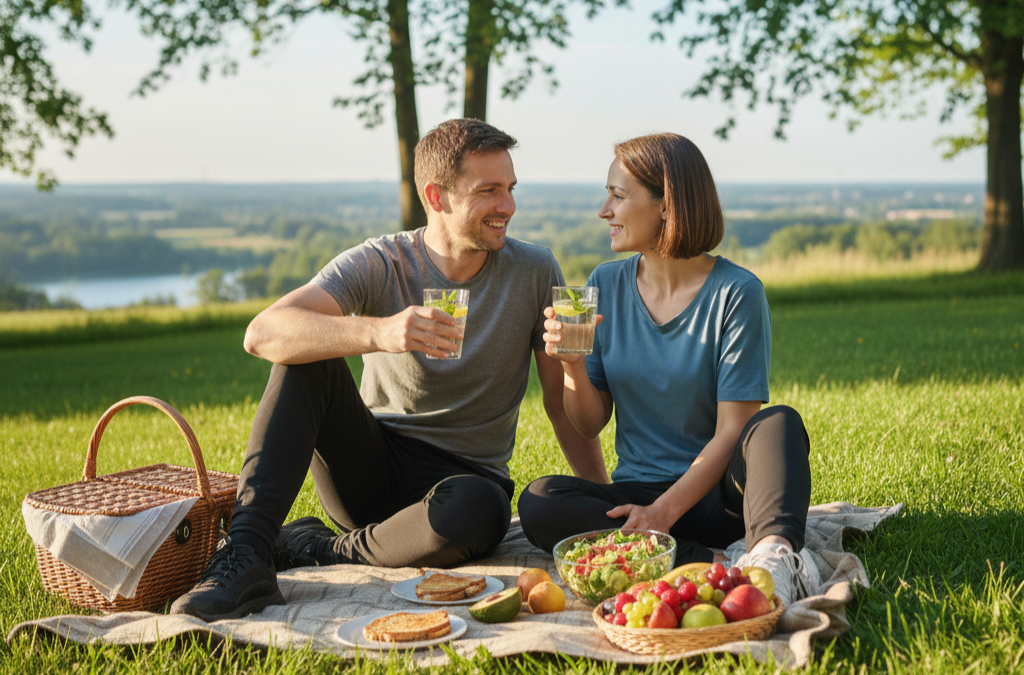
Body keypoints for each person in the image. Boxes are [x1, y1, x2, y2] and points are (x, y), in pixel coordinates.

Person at [171, 119, 598, 621]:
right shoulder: (384, 261)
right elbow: (262, 333)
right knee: (304, 360)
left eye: (510, 188)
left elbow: (559, 405)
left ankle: (317, 550)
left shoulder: (534, 270)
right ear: (436, 196)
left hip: (465, 484)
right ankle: (245, 554)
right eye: (489, 191)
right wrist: (380, 332)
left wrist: (603, 503)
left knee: (481, 508)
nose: (508, 206)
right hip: (371, 469)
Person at [517, 133, 819, 607]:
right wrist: (572, 365)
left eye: (618, 196)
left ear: (666, 205)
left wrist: (662, 513)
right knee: (540, 500)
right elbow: (589, 423)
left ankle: (772, 561)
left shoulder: (737, 292)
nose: (604, 210)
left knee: (778, 424)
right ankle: (714, 563)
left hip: (718, 498)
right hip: (638, 493)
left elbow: (732, 431)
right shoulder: (605, 283)